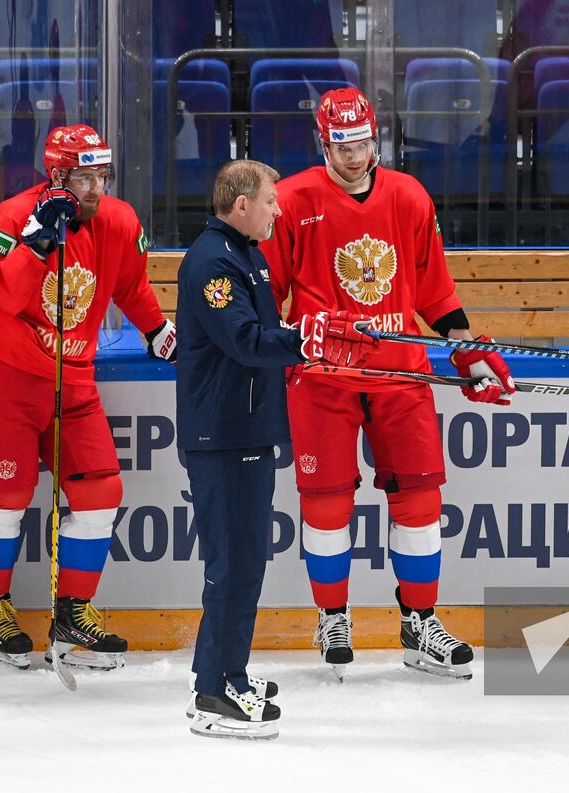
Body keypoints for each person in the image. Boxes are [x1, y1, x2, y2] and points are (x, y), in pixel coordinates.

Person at [260, 87, 515, 680]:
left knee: (421, 500)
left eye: (365, 143)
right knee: (326, 502)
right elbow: (267, 296)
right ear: (324, 142)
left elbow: (434, 289)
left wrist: (468, 353)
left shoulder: (408, 195)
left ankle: (418, 622)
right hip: (323, 375)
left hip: (401, 372)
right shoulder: (292, 200)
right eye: (344, 145)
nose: (356, 157)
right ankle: (332, 615)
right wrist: (283, 344)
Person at [0, 124, 176, 672]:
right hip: (5, 375)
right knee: (4, 501)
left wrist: (155, 329)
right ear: (56, 176)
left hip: (72, 376)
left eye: (100, 176)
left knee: (102, 490)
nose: (94, 189)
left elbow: (129, 283)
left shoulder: (119, 220)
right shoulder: (13, 216)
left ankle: (72, 611)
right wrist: (36, 242)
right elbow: (2, 295)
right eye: (82, 178)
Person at [176, 159, 377, 739]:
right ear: (241, 204)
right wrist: (304, 340)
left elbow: (270, 335)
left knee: (245, 562)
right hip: (223, 435)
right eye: (269, 201)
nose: (278, 209)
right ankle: (214, 692)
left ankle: (225, 672)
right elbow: (243, 340)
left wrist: (311, 334)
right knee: (232, 564)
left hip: (249, 429)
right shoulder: (214, 261)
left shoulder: (249, 257)